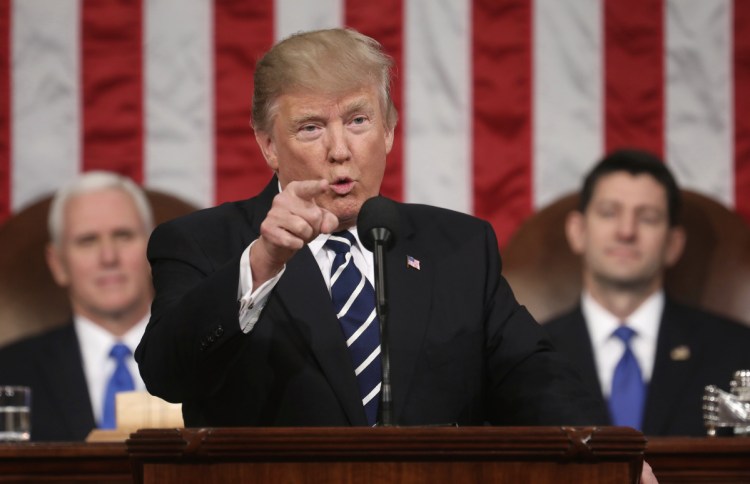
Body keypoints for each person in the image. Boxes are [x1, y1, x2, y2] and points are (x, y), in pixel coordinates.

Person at [135, 28, 608, 430]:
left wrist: (610, 456)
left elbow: (534, 376)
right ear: (268, 145)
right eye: (311, 128)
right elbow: (166, 374)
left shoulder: (459, 247)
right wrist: (261, 263)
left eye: (358, 120)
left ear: (388, 130)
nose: (339, 150)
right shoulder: (203, 244)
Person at [543, 149, 750, 436]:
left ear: (673, 244)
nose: (626, 231)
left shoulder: (738, 353)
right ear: (578, 231)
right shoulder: (531, 357)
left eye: (648, 218)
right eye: (608, 213)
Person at [0, 171, 154, 441]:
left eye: (123, 235)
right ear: (57, 263)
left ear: (154, 249)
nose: (109, 257)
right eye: (87, 240)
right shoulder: (8, 372)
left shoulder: (215, 362)